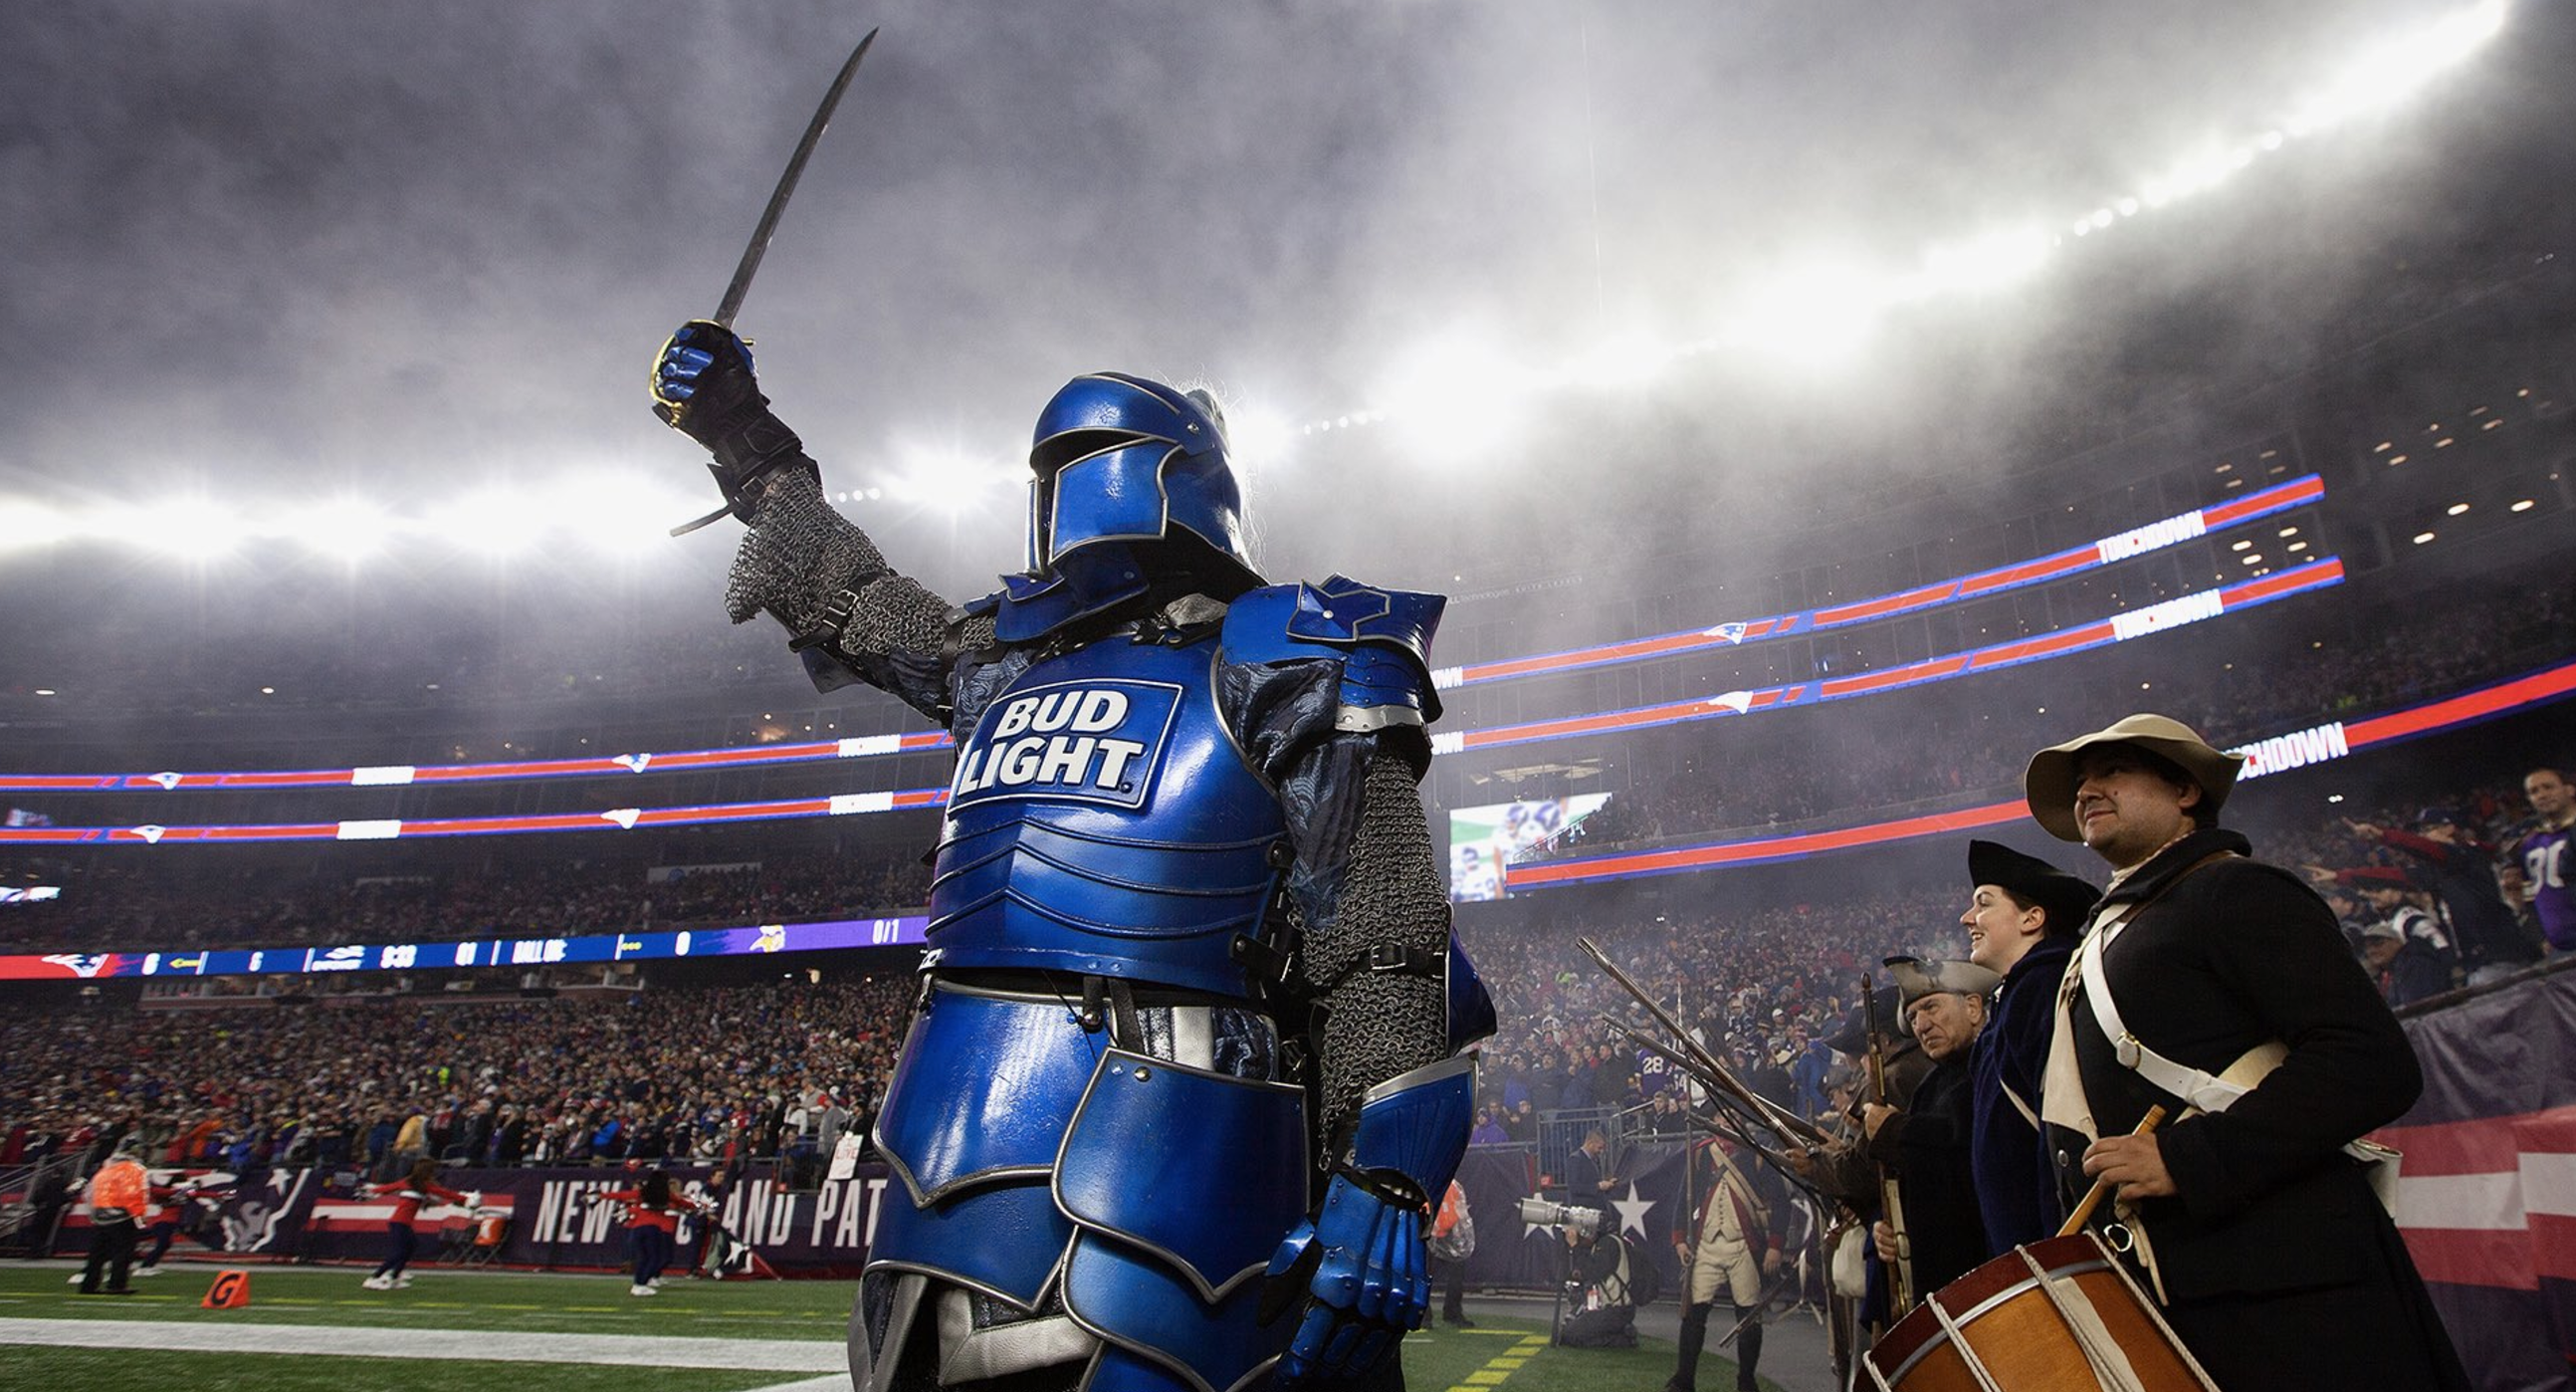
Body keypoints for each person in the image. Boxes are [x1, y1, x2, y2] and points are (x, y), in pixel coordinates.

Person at [651, 326, 1491, 1392]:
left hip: (1180, 1172)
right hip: (943, 1158)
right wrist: (744, 438)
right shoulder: (999, 661)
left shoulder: (1285, 644)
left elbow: (1381, 936)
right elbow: (851, 594)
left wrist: (1384, 1177)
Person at [2025, 713, 2469, 1391]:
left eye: (2113, 770)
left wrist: (2187, 1156)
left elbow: (2370, 1062)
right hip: (2196, 1292)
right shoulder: (2119, 927)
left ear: (2185, 792)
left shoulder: (2234, 889)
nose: (2087, 789)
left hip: (2293, 1294)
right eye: (2082, 780)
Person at [1960, 839, 2094, 1254]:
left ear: (2032, 918)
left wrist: (2056, 1253)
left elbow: (2058, 1134)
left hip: (2052, 1250)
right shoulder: (2015, 996)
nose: (1968, 918)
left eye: (1984, 903)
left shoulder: (2042, 987)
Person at [1864, 957, 1996, 1303]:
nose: (1921, 1025)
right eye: (1912, 1017)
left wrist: (1894, 1130)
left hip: (1987, 1272)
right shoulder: (1931, 1084)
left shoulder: (1993, 1065)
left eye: (1931, 1007)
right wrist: (1893, 1228)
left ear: (1972, 1007)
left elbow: (1962, 1152)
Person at [1665, 1129, 1785, 1392]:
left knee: (1748, 1317)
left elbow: (1780, 1201)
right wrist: (1680, 1238)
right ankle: (1684, 1380)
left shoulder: (1756, 1154)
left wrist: (1775, 1245)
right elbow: (1684, 1195)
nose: (1722, 1122)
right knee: (1693, 1316)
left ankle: (1746, 1381)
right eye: (1719, 1117)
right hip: (1706, 1246)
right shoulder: (1701, 1153)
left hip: (1744, 1245)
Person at [360, 1159, 473, 1290]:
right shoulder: (423, 1185)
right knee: (399, 1253)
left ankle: (394, 1277)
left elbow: (387, 1188)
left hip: (402, 1223)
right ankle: (374, 1278)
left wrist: (374, 1191)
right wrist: (466, 1199)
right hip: (399, 1223)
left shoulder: (411, 1183)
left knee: (411, 1247)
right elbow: (445, 1193)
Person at [595, 1168, 694, 1295]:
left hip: (637, 1229)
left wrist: (601, 1195)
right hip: (653, 1229)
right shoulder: (666, 1195)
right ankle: (641, 1284)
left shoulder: (642, 1193)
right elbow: (683, 1203)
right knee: (653, 1258)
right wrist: (699, 1207)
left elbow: (622, 1195)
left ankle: (638, 1285)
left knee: (643, 1258)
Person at [76, 1137, 148, 1295]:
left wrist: (94, 1212)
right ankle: (116, 1284)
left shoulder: (105, 1167)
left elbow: (89, 1192)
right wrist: (139, 1216)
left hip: (100, 1214)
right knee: (123, 1252)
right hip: (121, 1215)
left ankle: (88, 1285)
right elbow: (135, 1194)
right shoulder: (134, 1168)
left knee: (97, 1254)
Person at [2517, 767, 2575, 954]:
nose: (2542, 795)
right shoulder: (2530, 844)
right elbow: (2529, 897)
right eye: (2534, 791)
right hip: (2558, 949)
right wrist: (2540, 937)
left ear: (2569, 789)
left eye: (2548, 787)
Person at [1427, 1179, 1475, 1326]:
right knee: (1424, 1276)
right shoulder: (1429, 1181)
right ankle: (1423, 1315)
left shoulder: (1453, 1186)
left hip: (1449, 1234)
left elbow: (1460, 1209)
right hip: (1428, 1233)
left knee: (1456, 1275)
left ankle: (1452, 1313)